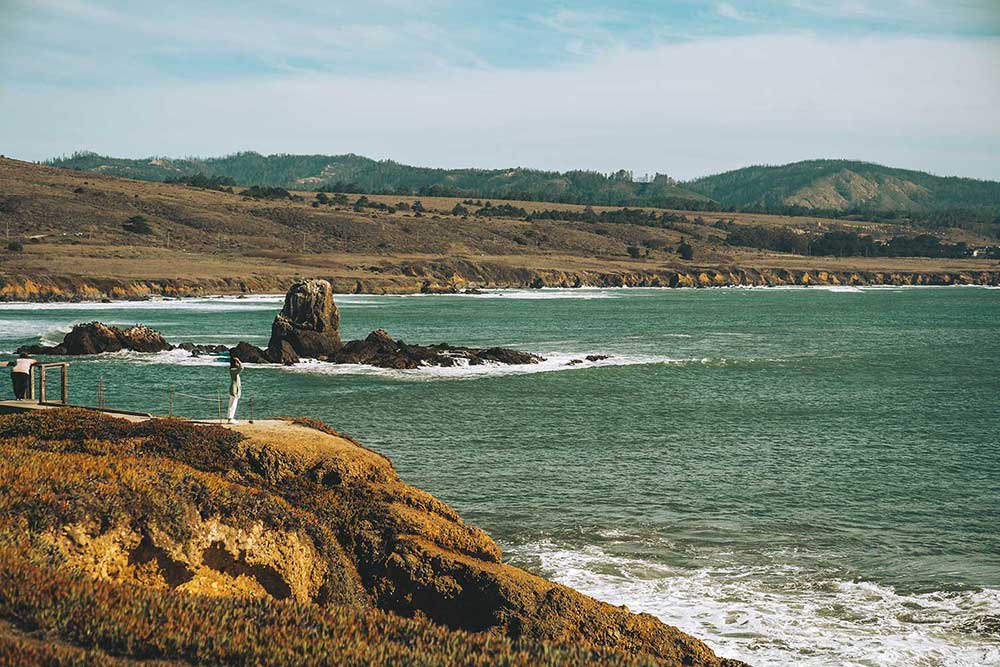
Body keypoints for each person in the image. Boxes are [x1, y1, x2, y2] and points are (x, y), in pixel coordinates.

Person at [227, 354, 243, 423]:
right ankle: (230, 419)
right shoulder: (234, 370)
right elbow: (241, 368)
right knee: (233, 405)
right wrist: (239, 361)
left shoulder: (232, 370)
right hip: (234, 390)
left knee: (232, 404)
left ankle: (230, 418)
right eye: (236, 362)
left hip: (234, 389)